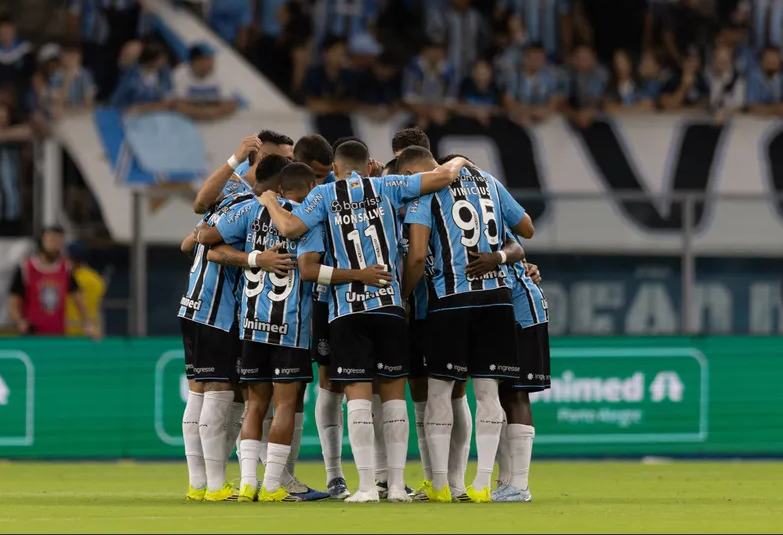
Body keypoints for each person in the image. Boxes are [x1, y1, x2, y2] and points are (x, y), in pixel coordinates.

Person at [255, 141, 470, 503]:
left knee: (357, 397)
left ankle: (367, 486)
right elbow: (443, 176)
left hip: (347, 311)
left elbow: (290, 229)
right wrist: (459, 159)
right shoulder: (388, 186)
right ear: (368, 166)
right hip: (390, 306)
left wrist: (270, 202)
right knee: (394, 398)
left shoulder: (323, 195)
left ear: (335, 169)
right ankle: (397, 486)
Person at [395, 145, 534, 504]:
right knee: (488, 393)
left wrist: (404, 295)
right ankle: (483, 483)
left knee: (441, 391)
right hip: (497, 297)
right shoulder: (490, 181)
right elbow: (526, 228)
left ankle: (441, 484)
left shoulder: (426, 191)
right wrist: (497, 251)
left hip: (452, 299)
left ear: (410, 173)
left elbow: (418, 255)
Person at [197, 162, 328, 502]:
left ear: (279, 187)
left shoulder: (251, 210)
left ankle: (247, 484)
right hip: (290, 329)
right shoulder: (308, 219)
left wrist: (253, 257)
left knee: (254, 405)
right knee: (284, 406)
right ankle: (271, 487)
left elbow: (211, 247)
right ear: (312, 188)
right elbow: (311, 269)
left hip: (251, 326)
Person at [177, 154, 293, 502]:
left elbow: (189, 242)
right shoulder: (249, 205)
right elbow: (211, 245)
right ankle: (214, 486)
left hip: (193, 303)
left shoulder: (226, 200)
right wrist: (258, 259)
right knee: (218, 391)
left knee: (200, 393)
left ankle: (199, 484)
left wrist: (202, 232)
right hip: (217, 309)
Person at [469, 234, 545, 503]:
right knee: (501, 396)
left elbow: (519, 242)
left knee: (515, 393)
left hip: (521, 311)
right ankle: (508, 481)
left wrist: (502, 259)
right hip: (505, 308)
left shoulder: (494, 214)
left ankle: (520, 485)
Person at [8, 226, 98, 338]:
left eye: (59, 242)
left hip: (57, 335)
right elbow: (13, 304)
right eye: (52, 241)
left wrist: (87, 324)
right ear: (42, 242)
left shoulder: (65, 269)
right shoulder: (26, 268)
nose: (55, 245)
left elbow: (78, 299)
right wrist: (20, 321)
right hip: (32, 335)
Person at [64, 240, 105, 337]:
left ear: (72, 259)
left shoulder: (69, 279)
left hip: (70, 334)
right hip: (92, 334)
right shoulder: (97, 279)